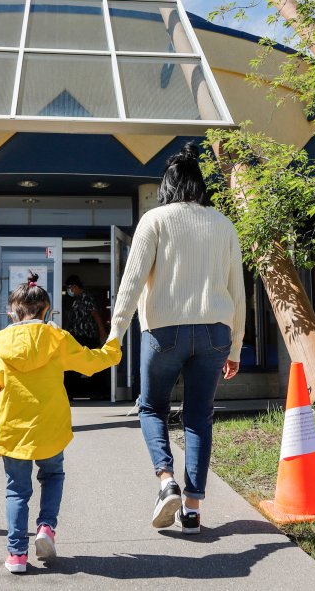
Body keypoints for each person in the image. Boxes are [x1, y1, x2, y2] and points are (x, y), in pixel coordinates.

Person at [108, 142, 246, 535]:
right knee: (199, 416)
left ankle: (166, 481)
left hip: (164, 330)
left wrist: (116, 332)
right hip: (216, 331)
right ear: (201, 186)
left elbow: (132, 282)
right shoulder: (224, 224)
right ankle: (193, 510)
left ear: (166, 186)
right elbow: (238, 292)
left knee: (152, 408)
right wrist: (235, 345)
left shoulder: (155, 220)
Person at [0, 272, 121, 574]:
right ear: (48, 312)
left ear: (11, 313)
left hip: (12, 430)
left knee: (16, 491)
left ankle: (16, 555)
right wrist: (113, 351)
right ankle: (46, 528)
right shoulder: (57, 338)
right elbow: (90, 362)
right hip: (50, 426)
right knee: (52, 476)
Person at [64, 275, 107, 348]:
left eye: (69, 288)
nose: (69, 291)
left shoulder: (87, 297)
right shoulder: (76, 300)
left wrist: (101, 330)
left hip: (86, 336)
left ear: (75, 287)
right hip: (77, 337)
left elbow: (95, 314)